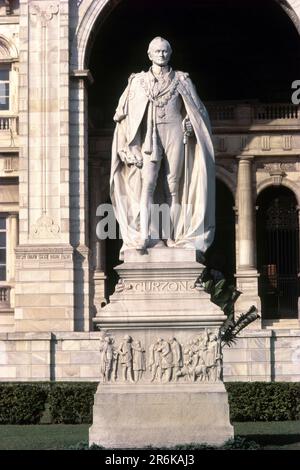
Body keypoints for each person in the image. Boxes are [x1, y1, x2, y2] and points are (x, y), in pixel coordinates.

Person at [110, 36, 215, 259]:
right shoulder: (137, 81)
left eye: (165, 51)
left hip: (175, 132)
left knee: (173, 187)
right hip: (149, 136)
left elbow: (198, 111)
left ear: (170, 53)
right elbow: (124, 117)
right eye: (157, 51)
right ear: (149, 55)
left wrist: (191, 121)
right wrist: (129, 146)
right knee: (147, 184)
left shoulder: (182, 80)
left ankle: (173, 237)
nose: (161, 55)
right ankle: (144, 235)